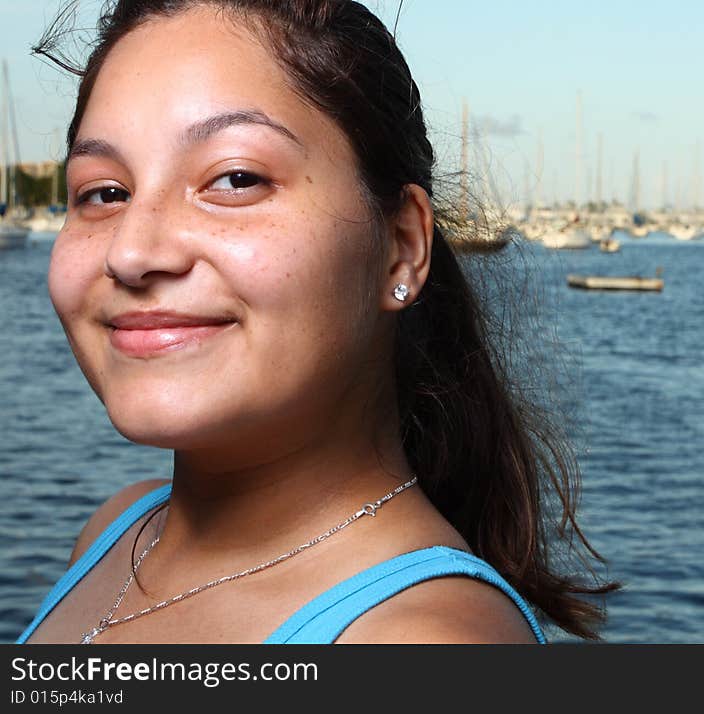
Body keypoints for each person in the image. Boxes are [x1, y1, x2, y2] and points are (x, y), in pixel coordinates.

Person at [17, 0, 617, 644]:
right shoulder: (117, 534)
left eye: (236, 178)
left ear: (402, 245)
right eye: (103, 192)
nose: (131, 253)